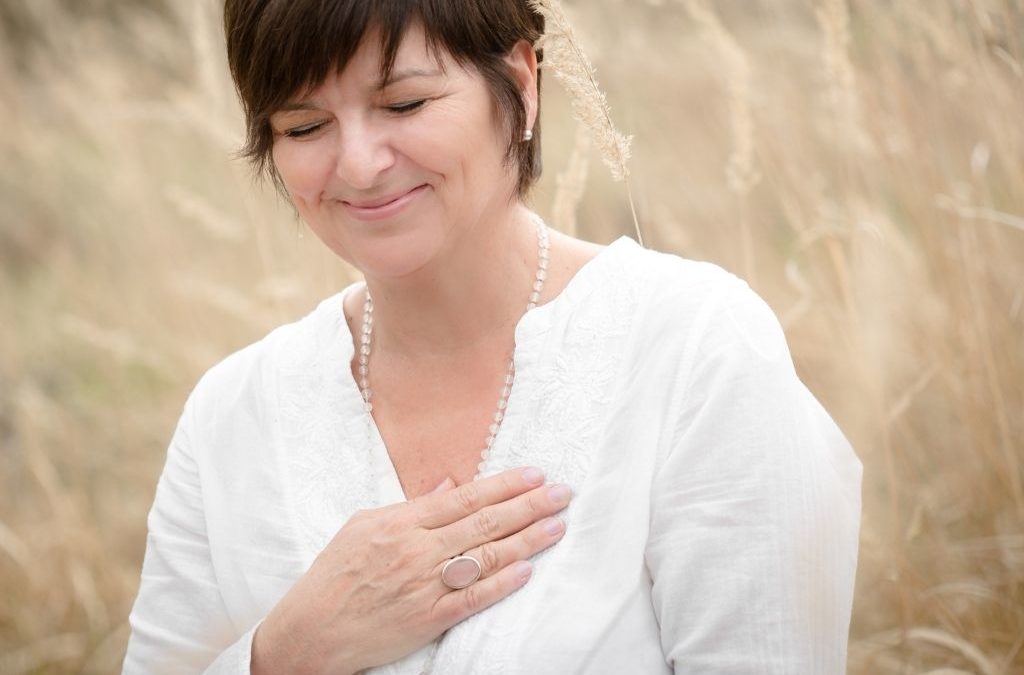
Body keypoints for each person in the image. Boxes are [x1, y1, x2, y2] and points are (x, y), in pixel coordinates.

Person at [123, 0, 863, 673]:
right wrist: (284, 652)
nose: (357, 163)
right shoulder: (229, 417)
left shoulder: (696, 347)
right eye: (304, 126)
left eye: (404, 102)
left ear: (520, 83)